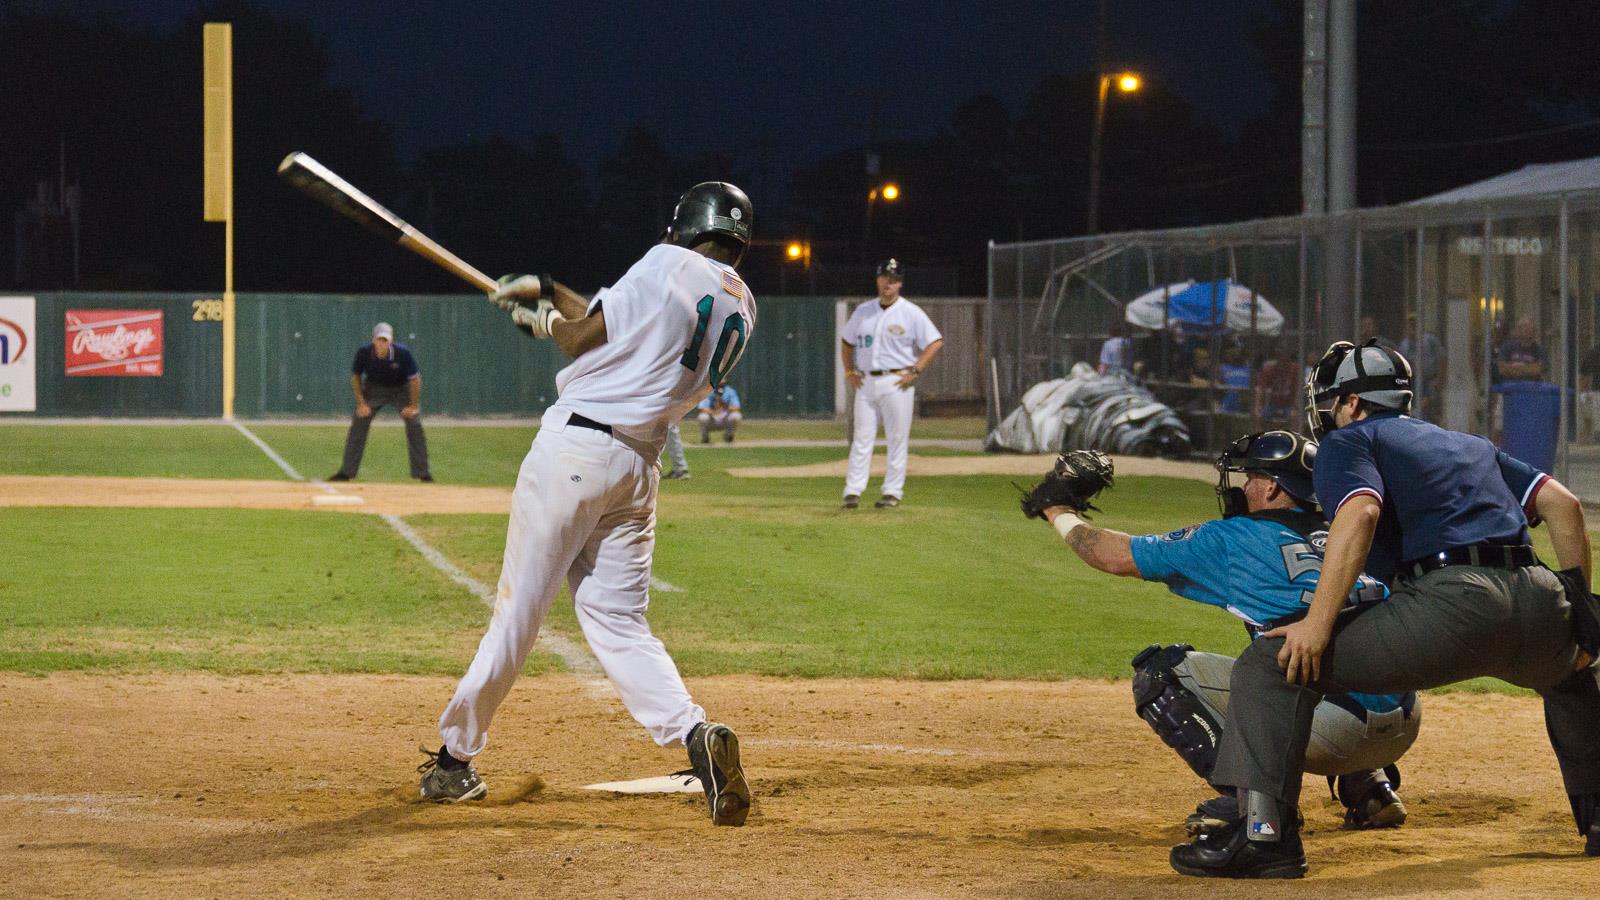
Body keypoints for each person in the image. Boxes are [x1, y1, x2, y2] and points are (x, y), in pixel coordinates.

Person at [1169, 339, 1600, 878]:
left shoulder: (1349, 441)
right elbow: (1561, 502)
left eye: (1329, 402)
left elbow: (1362, 513)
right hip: (1537, 594)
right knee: (1574, 677)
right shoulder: (1464, 442)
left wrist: (1317, 625)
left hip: (1454, 603)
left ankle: (1264, 839)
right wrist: (1579, 600)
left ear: (1351, 403)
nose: (1325, 414)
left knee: (1270, 666)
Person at [417, 182, 757, 828]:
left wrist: (546, 324)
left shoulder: (665, 263)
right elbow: (613, 324)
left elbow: (585, 339)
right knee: (620, 622)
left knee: (518, 615)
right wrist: (547, 289)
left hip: (576, 451)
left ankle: (455, 760)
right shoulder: (740, 303)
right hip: (638, 469)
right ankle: (694, 735)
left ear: (684, 224)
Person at [1034, 431, 1416, 835]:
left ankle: (1254, 802)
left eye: (1250, 477)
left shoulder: (1234, 540)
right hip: (1405, 720)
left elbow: (1112, 556)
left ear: (1271, 487)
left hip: (1334, 733)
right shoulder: (1349, 535)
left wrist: (1058, 510)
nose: (1243, 486)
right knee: (1319, 661)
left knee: (1163, 676)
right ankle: (1372, 789)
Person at [839, 258, 944, 509]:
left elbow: (935, 341)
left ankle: (892, 492)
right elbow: (846, 341)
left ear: (900, 284)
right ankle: (852, 491)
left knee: (897, 438)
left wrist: (915, 370)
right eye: (886, 277)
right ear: (878, 279)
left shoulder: (910, 312)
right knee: (861, 438)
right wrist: (849, 371)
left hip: (897, 381)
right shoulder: (864, 311)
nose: (889, 282)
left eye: (894, 279)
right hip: (866, 381)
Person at [329, 322, 432, 482]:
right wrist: (361, 403)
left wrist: (413, 406)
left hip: (401, 389)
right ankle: (346, 472)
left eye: (385, 340)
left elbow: (415, 380)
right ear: (373, 340)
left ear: (391, 341)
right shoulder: (364, 352)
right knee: (359, 421)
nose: (382, 343)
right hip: (374, 388)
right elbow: (356, 377)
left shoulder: (403, 353)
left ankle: (423, 473)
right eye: (379, 340)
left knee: (414, 423)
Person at [1399, 314, 1444, 420]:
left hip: (1430, 379)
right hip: (1414, 381)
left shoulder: (1430, 340)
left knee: (1431, 405)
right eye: (1410, 326)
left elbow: (1442, 358)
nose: (1412, 329)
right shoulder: (1404, 345)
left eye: (1415, 325)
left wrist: (1440, 379)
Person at [1495, 315, 1546, 382]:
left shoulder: (1539, 350)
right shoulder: (1507, 347)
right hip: (1510, 388)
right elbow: (1502, 369)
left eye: (1530, 328)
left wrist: (1513, 367)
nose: (1528, 331)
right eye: (1524, 327)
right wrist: (1528, 368)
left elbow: (1537, 369)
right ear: (1518, 330)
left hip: (1533, 389)